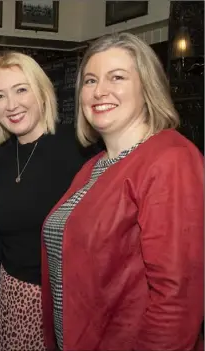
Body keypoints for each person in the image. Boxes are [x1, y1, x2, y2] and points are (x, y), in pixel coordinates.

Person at [42, 32, 204, 350]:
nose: (100, 90)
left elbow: (177, 298)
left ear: (147, 86)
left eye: (117, 77)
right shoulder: (94, 167)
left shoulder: (170, 158)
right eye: (90, 81)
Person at [0, 51, 93, 351]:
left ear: (42, 92)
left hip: (61, 301)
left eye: (21, 89)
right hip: (10, 297)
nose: (11, 104)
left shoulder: (80, 148)